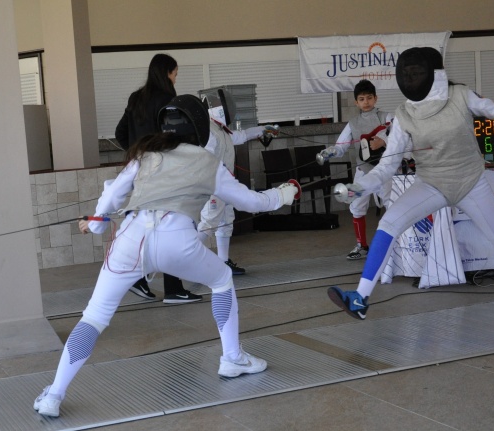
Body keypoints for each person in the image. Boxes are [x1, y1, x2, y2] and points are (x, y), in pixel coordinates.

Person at [34, 94, 300, 418]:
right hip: (178, 241)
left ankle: (54, 396)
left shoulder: (147, 153)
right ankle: (232, 358)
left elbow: (115, 191)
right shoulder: (208, 163)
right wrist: (284, 193)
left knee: (94, 317)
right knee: (222, 279)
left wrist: (96, 220)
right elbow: (252, 202)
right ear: (200, 126)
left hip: (130, 240)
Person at [328, 47, 494, 320]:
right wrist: (359, 187)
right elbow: (387, 166)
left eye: (416, 73)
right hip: (431, 183)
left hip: (471, 182)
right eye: (407, 74)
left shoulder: (461, 95)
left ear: (433, 73)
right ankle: (360, 298)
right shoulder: (404, 114)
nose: (411, 79)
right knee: (388, 224)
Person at [114, 53, 200, 303]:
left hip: (139, 170)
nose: (175, 78)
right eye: (175, 73)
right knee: (171, 226)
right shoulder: (169, 100)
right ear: (166, 73)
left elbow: (121, 132)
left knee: (148, 228)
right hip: (164, 172)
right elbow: (175, 136)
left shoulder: (136, 98)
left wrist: (135, 152)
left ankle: (138, 279)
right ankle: (173, 289)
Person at [198, 88, 279, 274]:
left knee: (226, 221)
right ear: (217, 109)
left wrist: (263, 129)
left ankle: (223, 262)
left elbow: (241, 136)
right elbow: (205, 160)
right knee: (209, 224)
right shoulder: (209, 131)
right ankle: (182, 257)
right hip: (214, 187)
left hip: (226, 188)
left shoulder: (220, 129)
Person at [317, 79, 393, 260]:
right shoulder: (353, 123)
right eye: (361, 99)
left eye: (369, 98)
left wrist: (383, 141)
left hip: (385, 171)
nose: (366, 102)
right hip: (363, 171)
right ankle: (361, 246)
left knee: (392, 206)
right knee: (357, 207)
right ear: (356, 102)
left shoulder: (388, 117)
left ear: (376, 98)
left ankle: (394, 245)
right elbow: (341, 146)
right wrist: (329, 152)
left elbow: (400, 136)